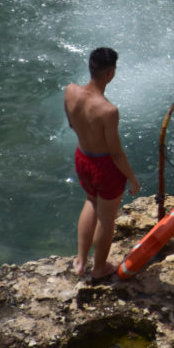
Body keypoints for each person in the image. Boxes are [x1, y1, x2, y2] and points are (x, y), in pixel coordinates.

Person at [64, 47, 140, 280]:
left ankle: (80, 261)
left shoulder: (70, 91)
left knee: (90, 201)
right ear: (110, 73)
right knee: (107, 219)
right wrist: (132, 178)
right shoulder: (108, 111)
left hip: (82, 157)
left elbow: (71, 125)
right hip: (105, 166)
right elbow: (116, 153)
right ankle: (99, 268)